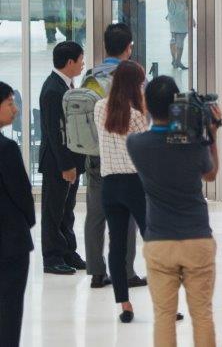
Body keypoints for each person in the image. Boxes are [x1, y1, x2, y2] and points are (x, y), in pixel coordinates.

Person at [127, 76, 221, 347]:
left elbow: (154, 135)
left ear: (146, 105)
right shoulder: (193, 143)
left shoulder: (136, 144)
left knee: (164, 316)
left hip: (159, 240)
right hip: (197, 238)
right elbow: (211, 175)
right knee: (202, 314)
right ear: (178, 104)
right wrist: (210, 135)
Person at [83, 23, 145, 290]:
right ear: (128, 47)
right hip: (127, 162)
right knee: (126, 219)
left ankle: (96, 271)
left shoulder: (90, 77)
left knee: (95, 215)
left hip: (96, 156)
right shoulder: (130, 75)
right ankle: (127, 271)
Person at [94, 61, 151, 323]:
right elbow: (143, 148)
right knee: (154, 242)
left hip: (109, 184)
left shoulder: (98, 107)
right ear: (134, 85)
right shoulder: (138, 114)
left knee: (116, 244)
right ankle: (166, 304)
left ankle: (124, 305)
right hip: (135, 184)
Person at [39, 41, 85, 274]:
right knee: (53, 209)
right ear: (70, 62)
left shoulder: (65, 86)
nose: (82, 63)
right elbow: (54, 133)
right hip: (57, 163)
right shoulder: (52, 90)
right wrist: (66, 165)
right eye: (80, 59)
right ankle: (52, 256)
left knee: (67, 209)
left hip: (70, 161)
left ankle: (68, 251)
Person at [0, 82, 36, 347]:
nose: (15, 109)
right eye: (10, 103)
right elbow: (23, 194)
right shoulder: (6, 149)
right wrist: (28, 221)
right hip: (9, 241)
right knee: (9, 311)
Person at [165, 0, 190, 70]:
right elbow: (187, 3)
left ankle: (174, 59)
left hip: (172, 15)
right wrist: (190, 17)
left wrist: (169, 13)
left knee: (173, 37)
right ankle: (178, 60)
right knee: (181, 39)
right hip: (182, 15)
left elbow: (168, 1)